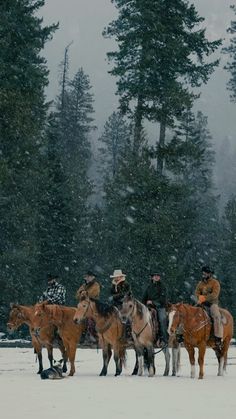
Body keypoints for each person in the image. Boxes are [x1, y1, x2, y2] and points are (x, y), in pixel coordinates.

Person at [195, 266, 223, 348]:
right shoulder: (200, 283)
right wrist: (199, 297)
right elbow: (196, 292)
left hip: (212, 303)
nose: (204, 274)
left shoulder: (215, 283)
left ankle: (218, 338)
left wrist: (204, 298)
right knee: (189, 313)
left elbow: (215, 295)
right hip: (201, 303)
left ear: (210, 274)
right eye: (203, 272)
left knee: (216, 316)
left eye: (206, 273)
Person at [142, 272, 168, 345]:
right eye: (155, 276)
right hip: (149, 307)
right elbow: (144, 297)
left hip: (160, 306)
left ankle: (164, 340)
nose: (156, 277)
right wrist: (143, 304)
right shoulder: (149, 287)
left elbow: (163, 299)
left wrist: (153, 302)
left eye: (158, 275)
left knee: (162, 320)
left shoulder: (162, 286)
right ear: (152, 277)